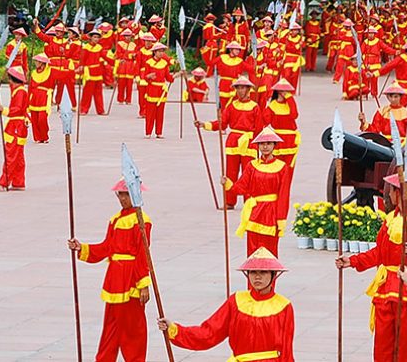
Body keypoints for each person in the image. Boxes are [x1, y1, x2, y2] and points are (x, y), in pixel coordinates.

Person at [335, 172, 407, 362]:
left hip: (404, 291)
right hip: (385, 287)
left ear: (401, 193)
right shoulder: (391, 218)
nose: (388, 194)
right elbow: (380, 253)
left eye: (392, 190)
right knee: (382, 347)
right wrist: (353, 261)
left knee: (404, 348)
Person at [67, 178, 151, 362]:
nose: (122, 198)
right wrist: (82, 248)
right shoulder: (115, 220)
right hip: (114, 279)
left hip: (131, 281)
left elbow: (143, 254)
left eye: (126, 194)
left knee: (133, 329)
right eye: (120, 194)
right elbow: (107, 247)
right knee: (110, 328)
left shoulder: (142, 221)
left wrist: (143, 283)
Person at [158, 247, 295, 360]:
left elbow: (286, 349)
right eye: (253, 272)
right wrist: (174, 330)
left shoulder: (283, 306)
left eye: (263, 272)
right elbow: (209, 332)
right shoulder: (236, 300)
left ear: (273, 275)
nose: (257, 277)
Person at [196, 75, 262, 208]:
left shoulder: (255, 107)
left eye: (243, 88)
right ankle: (229, 201)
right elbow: (222, 123)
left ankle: (248, 202)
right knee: (230, 173)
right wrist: (205, 125)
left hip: (248, 142)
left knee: (248, 173)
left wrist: (258, 146)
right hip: (233, 142)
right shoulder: (231, 106)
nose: (240, 91)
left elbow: (259, 128)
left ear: (248, 89)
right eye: (238, 88)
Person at [230, 127, 293, 256]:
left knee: (270, 252)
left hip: (271, 213)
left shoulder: (282, 167)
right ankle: (252, 276)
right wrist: (228, 184)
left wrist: (281, 219)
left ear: (274, 145)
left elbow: (283, 195)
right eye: (262, 144)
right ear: (258, 146)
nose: (265, 147)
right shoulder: (252, 165)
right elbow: (241, 187)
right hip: (254, 211)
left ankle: (270, 276)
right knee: (252, 251)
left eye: (269, 143)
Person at [0, 66, 29, 192]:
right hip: (18, 126)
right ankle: (18, 181)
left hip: (16, 126)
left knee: (11, 155)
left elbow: (17, 110)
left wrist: (4, 110)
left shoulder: (20, 92)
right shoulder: (19, 91)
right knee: (18, 156)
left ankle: (4, 182)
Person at [263, 79, 301, 168]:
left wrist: (289, 98)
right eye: (283, 91)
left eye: (286, 91)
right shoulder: (273, 105)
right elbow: (265, 121)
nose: (285, 93)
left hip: (290, 139)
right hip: (278, 139)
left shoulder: (290, 103)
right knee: (276, 166)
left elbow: (294, 115)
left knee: (289, 167)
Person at [143, 43, 174, 139]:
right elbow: (145, 77)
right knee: (150, 112)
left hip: (161, 90)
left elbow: (169, 78)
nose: (161, 53)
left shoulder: (164, 63)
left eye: (162, 51)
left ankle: (159, 132)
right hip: (152, 89)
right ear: (154, 52)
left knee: (160, 112)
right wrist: (149, 76)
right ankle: (148, 132)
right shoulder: (148, 62)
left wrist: (178, 74)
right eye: (159, 51)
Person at [77, 29, 109, 115]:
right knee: (87, 92)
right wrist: (80, 68)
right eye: (94, 37)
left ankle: (100, 110)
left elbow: (105, 57)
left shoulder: (99, 48)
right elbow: (82, 60)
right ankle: (83, 109)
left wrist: (115, 62)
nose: (96, 39)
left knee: (98, 93)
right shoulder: (86, 48)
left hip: (98, 72)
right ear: (90, 38)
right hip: (89, 72)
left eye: (98, 37)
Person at [28, 54, 55, 143]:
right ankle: (38, 137)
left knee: (42, 119)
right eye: (36, 61)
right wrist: (27, 99)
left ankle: (44, 136)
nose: (36, 63)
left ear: (42, 63)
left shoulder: (50, 72)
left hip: (44, 96)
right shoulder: (33, 73)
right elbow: (30, 87)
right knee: (34, 119)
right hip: (34, 97)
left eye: (38, 62)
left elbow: (52, 85)